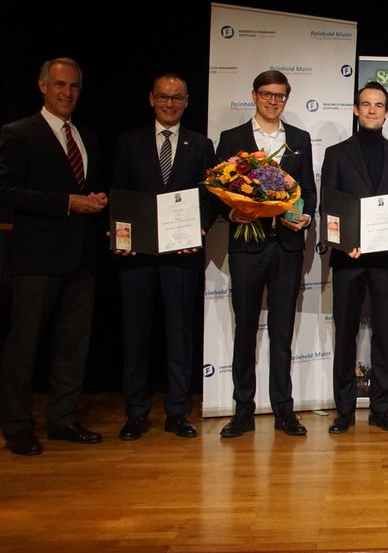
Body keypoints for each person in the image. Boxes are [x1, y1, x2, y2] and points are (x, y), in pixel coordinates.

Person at [0, 58, 107, 456]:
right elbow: (6, 191)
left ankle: (62, 420)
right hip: (35, 260)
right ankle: (16, 425)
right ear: (42, 86)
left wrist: (95, 201)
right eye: (60, 85)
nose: (67, 93)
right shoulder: (17, 133)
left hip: (81, 258)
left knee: (72, 345)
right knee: (23, 347)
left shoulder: (87, 137)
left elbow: (87, 190)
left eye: (74, 86)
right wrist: (67, 203)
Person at [112, 72, 217, 441]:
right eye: (163, 97)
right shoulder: (129, 142)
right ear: (151, 99)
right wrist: (122, 234)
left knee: (179, 334)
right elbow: (120, 196)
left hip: (182, 254)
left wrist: (200, 230)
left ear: (187, 101)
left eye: (177, 98)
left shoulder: (201, 145)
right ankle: (136, 412)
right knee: (136, 334)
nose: (170, 104)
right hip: (138, 256)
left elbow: (210, 197)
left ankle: (177, 411)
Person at [215, 70, 315, 438]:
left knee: (282, 331)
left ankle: (284, 411)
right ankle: (243, 410)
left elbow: (309, 191)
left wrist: (304, 218)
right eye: (267, 95)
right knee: (245, 330)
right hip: (247, 246)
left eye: (280, 96)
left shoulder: (300, 139)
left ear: (286, 99)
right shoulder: (232, 139)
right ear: (254, 96)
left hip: (287, 247)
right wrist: (231, 211)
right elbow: (216, 190)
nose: (273, 101)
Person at [320, 81, 388, 434]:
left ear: (387, 112)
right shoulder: (336, 153)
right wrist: (343, 243)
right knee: (345, 334)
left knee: (383, 336)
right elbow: (328, 206)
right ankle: (344, 410)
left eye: (379, 104)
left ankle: (380, 408)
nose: (372, 109)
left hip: (387, 258)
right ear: (356, 110)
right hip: (349, 258)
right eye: (366, 104)